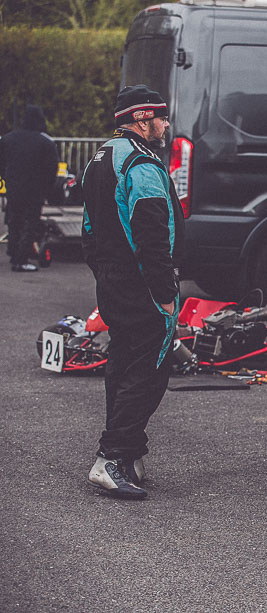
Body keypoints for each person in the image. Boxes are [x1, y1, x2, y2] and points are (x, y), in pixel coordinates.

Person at [82, 85, 185, 499]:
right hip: (144, 286)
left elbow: (88, 230)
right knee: (147, 373)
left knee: (122, 365)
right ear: (142, 119)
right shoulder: (141, 163)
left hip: (113, 280)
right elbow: (151, 234)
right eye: (160, 118)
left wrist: (105, 273)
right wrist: (164, 291)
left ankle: (128, 457)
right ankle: (112, 458)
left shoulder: (99, 158)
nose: (165, 125)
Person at [0, 105, 59, 272]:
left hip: (13, 187)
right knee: (30, 223)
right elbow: (51, 169)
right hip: (34, 190)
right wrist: (48, 189)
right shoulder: (45, 142)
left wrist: (6, 178)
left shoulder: (8, 139)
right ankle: (21, 260)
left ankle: (13, 252)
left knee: (14, 221)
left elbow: (1, 162)